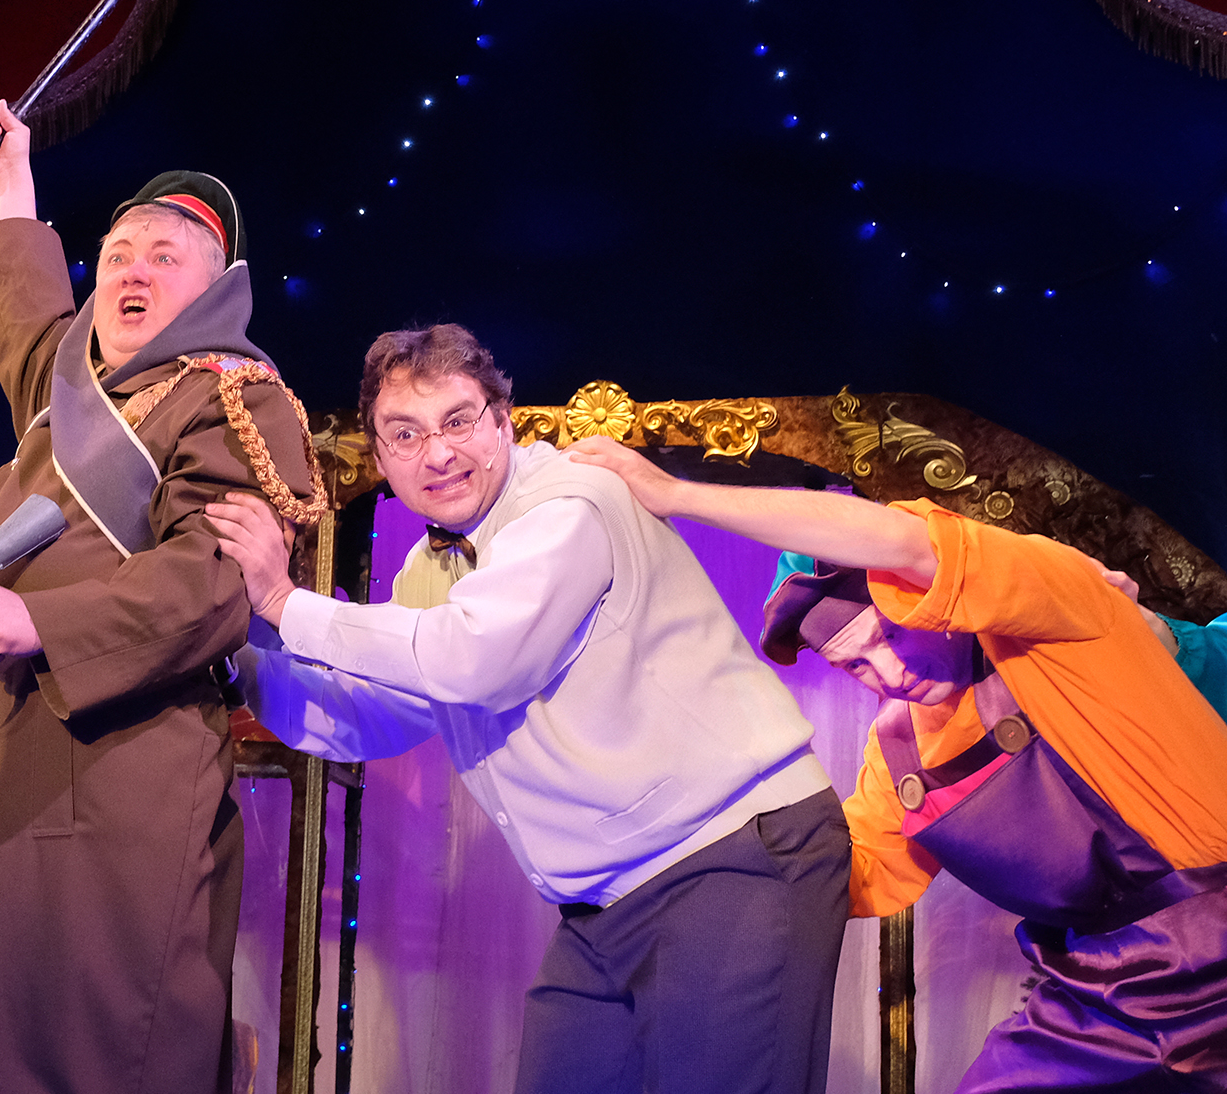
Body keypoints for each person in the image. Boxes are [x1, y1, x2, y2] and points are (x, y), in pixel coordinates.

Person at [0, 100, 323, 1094]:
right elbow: (27, 314)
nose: (132, 271)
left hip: (94, 753)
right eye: (120, 254)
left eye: (164, 257)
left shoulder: (235, 395)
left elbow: (215, 576)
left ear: (219, 286)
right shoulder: (71, 390)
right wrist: (12, 182)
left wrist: (44, 618)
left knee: (56, 1033)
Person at [204, 324, 850, 1094]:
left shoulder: (569, 503)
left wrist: (283, 601)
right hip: (601, 909)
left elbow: (472, 658)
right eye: (405, 434)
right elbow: (369, 713)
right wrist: (231, 662)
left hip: (729, 854)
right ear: (380, 457)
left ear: (502, 422)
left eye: (457, 420)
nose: (437, 453)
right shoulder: (431, 568)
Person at [568, 435, 1227, 1091]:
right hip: (1103, 989)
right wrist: (669, 887)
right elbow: (846, 874)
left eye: (890, 634)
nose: (888, 673)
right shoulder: (902, 750)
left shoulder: (1051, 619)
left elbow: (906, 543)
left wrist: (674, 495)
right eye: (855, 663)